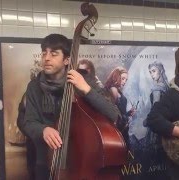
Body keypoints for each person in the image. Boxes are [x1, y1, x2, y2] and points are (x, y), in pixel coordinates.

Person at [20, 34, 120, 180]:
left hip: (82, 160)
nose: (46, 58)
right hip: (47, 162)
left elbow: (114, 114)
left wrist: (86, 89)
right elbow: (28, 122)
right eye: (44, 53)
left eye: (54, 54)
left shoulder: (84, 80)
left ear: (67, 60)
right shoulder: (34, 86)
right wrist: (43, 130)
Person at [104, 67, 136, 144]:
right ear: (116, 76)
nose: (124, 82)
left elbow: (120, 111)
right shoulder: (113, 90)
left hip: (121, 128)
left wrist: (129, 113)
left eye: (126, 80)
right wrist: (125, 118)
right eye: (123, 78)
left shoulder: (117, 90)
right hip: (117, 130)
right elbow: (113, 113)